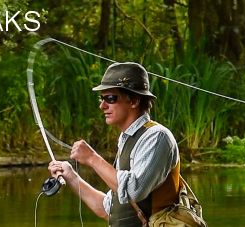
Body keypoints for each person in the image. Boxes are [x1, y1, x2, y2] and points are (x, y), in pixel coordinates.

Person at [48, 62, 182, 226]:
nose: (102, 105)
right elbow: (107, 210)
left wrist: (91, 158)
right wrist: (70, 175)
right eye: (102, 98)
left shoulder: (157, 137)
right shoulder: (126, 140)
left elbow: (133, 191)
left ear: (134, 101)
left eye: (110, 98)